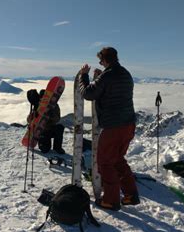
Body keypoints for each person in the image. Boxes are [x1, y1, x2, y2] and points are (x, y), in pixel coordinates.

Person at [79, 47, 139, 211]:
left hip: (114, 126)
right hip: (129, 124)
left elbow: (89, 94)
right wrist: (100, 78)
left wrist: (84, 75)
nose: (100, 63)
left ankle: (111, 200)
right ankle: (131, 195)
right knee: (118, 159)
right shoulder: (125, 74)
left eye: (101, 60)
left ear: (105, 60)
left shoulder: (109, 75)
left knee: (105, 161)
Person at [26, 89, 66, 154]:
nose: (43, 100)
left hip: (51, 128)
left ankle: (57, 148)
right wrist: (34, 115)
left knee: (60, 127)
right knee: (44, 150)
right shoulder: (37, 106)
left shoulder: (54, 106)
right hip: (42, 131)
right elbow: (28, 120)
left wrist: (50, 115)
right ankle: (44, 143)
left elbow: (57, 119)